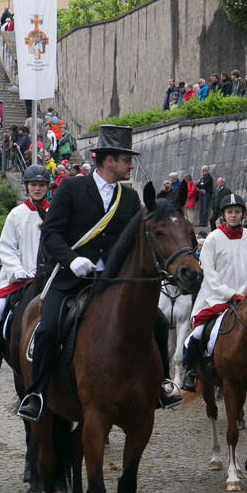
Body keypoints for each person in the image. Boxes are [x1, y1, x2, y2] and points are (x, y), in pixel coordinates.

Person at [17, 126, 181, 421]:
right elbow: (51, 235)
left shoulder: (129, 199)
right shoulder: (71, 188)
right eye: (125, 159)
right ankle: (37, 393)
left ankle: (162, 384)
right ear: (107, 160)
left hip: (111, 281)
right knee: (49, 328)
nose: (131, 165)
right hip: (70, 278)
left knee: (156, 320)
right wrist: (72, 260)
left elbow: (135, 243)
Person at [181, 193, 247, 392]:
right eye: (230, 212)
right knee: (196, 334)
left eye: (237, 212)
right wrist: (230, 294)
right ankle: (190, 372)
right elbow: (208, 273)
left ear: (243, 214)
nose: (234, 215)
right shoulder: (213, 239)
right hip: (216, 298)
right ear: (224, 215)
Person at [0, 166, 52, 376]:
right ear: (27, 186)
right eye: (33, 185)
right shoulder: (16, 214)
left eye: (41, 185)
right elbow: (6, 246)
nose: (37, 189)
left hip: (49, 276)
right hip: (18, 276)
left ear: (47, 187)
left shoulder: (55, 211)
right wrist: (17, 269)